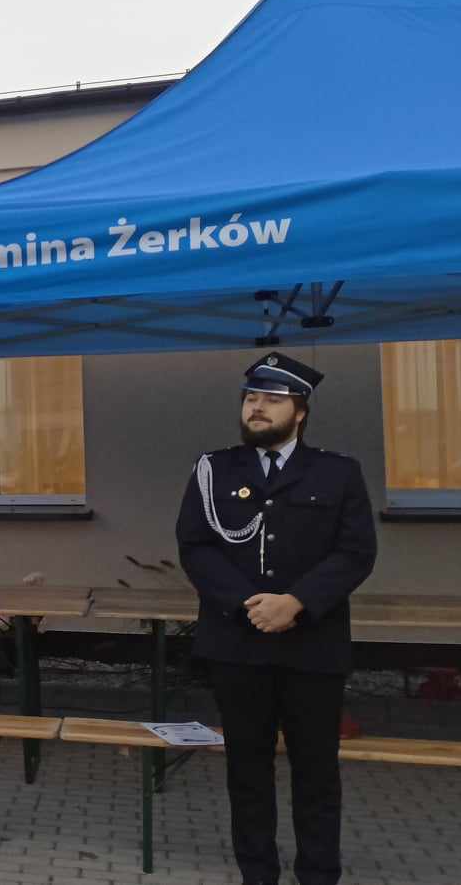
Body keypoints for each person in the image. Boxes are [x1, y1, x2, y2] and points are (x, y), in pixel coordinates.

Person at [176, 352, 377, 885]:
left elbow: (356, 552)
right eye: (251, 397)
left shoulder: (337, 472)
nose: (257, 407)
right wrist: (250, 603)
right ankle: (258, 873)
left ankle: (318, 873)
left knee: (316, 772)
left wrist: (297, 602)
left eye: (272, 399)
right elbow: (195, 546)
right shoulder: (214, 469)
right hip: (237, 644)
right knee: (247, 770)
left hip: (313, 646)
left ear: (300, 411)